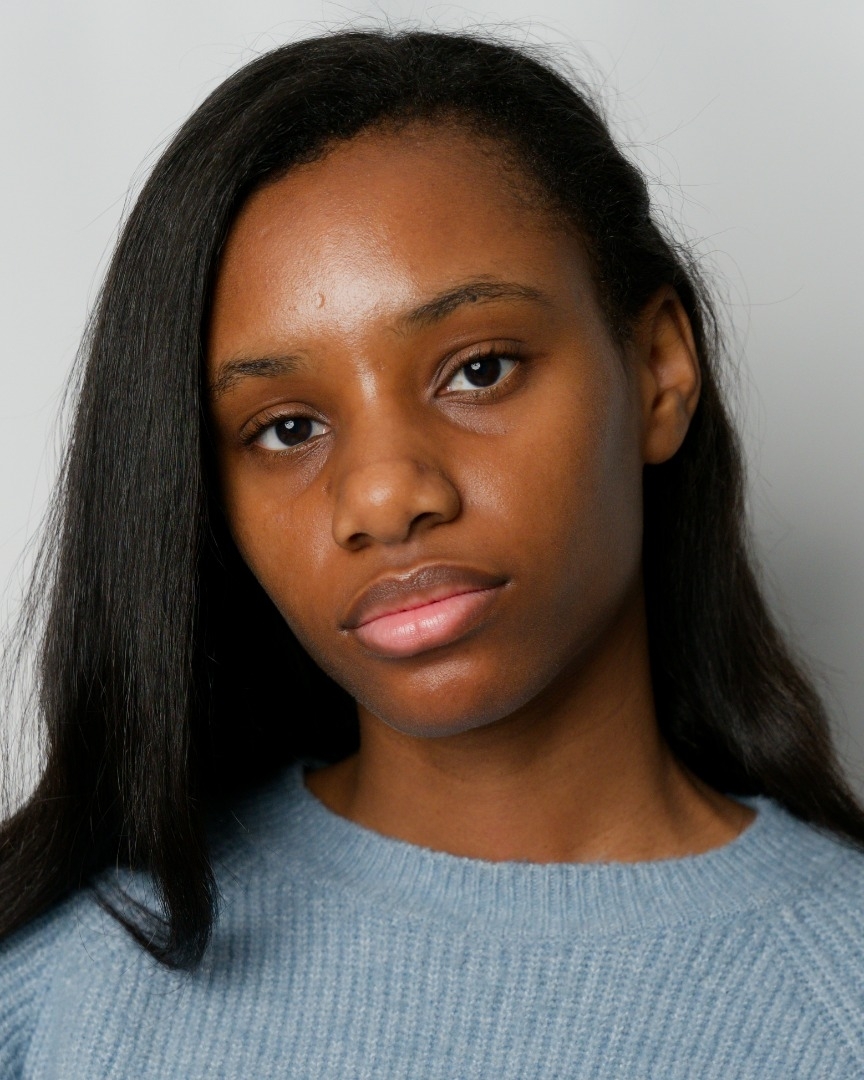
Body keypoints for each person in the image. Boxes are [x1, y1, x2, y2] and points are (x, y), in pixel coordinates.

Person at [1, 27, 863, 1078]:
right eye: (286, 429)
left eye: (480, 369)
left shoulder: (840, 996)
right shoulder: (61, 988)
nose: (383, 497)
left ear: (658, 370)